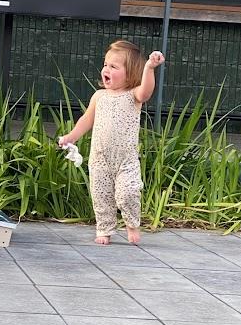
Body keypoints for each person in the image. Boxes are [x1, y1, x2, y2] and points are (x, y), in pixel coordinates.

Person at [58, 40, 165, 246]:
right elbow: (86, 120)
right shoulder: (99, 96)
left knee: (128, 193)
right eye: (105, 64)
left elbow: (146, 92)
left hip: (125, 159)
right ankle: (104, 228)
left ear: (130, 73)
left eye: (114, 67)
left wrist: (149, 68)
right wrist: (71, 137)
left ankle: (132, 224)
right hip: (100, 159)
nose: (106, 69)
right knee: (101, 195)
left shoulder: (133, 95)